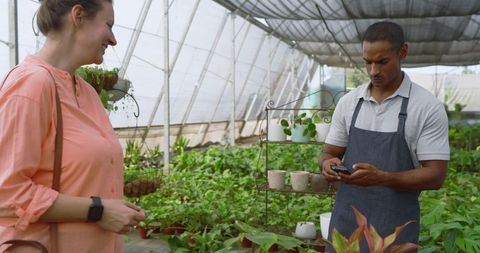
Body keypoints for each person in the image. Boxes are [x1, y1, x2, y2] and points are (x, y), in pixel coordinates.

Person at [0, 1, 145, 252]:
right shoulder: (32, 85)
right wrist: (98, 210)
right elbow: (6, 193)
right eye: (108, 25)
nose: (113, 39)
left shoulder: (86, 92)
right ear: (78, 16)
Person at [319, 21, 449, 252]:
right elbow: (330, 152)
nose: (373, 71)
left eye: (382, 62)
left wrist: (382, 178)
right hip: (347, 226)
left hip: (394, 230)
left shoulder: (426, 107)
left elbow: (436, 175)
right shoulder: (350, 103)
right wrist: (327, 163)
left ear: (403, 52)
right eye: (367, 62)